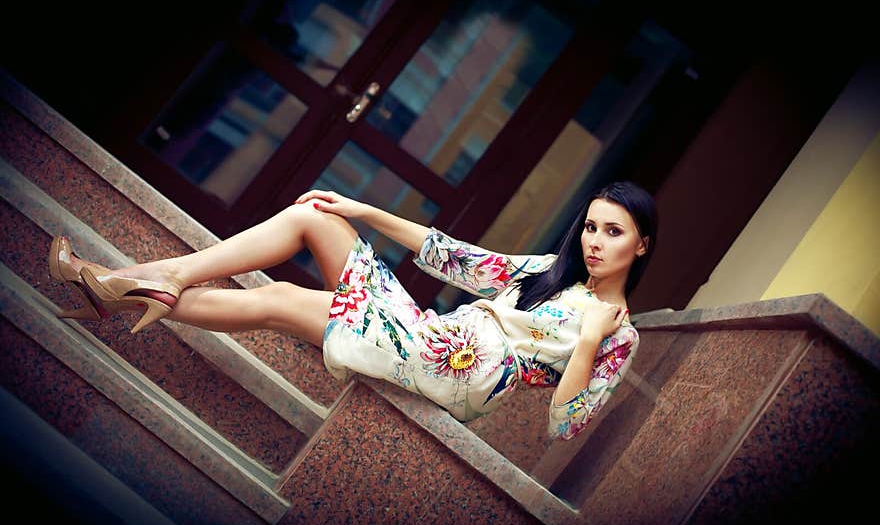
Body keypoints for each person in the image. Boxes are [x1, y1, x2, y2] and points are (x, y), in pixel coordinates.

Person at [49, 180, 657, 440]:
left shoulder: (620, 337)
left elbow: (563, 424)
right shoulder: (546, 274)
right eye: (592, 227)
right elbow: (455, 258)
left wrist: (587, 342)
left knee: (312, 218)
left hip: (456, 369)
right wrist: (365, 211)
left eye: (614, 233)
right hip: (433, 340)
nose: (595, 242)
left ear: (642, 245)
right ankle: (117, 289)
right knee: (280, 300)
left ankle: (151, 279)